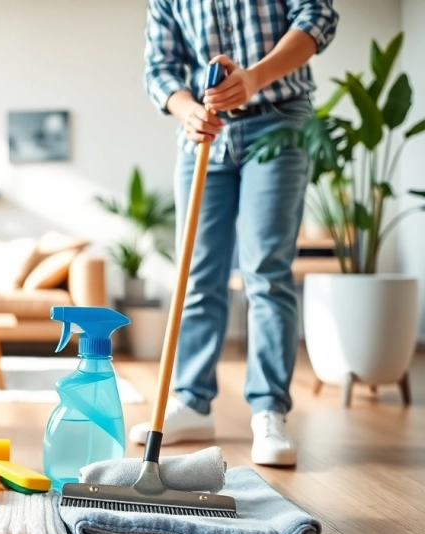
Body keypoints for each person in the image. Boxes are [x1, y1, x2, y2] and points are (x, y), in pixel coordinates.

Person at [130, 0, 338, 466]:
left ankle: (269, 412)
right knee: (198, 273)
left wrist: (254, 78)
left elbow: (318, 17)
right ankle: (192, 401)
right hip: (205, 133)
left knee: (266, 270)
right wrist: (186, 110)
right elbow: (159, 69)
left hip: (279, 119)